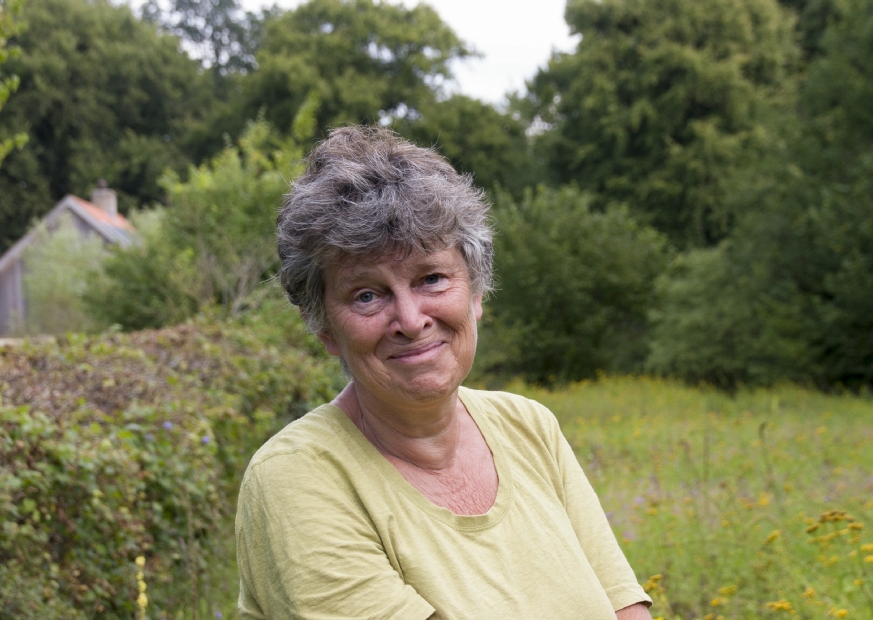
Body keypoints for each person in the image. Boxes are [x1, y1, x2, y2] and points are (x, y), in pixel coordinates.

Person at [235, 126, 653, 620]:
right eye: (366, 295)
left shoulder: (529, 426)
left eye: (431, 278)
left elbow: (625, 609)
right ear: (325, 327)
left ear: (476, 293)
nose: (411, 321)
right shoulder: (297, 477)